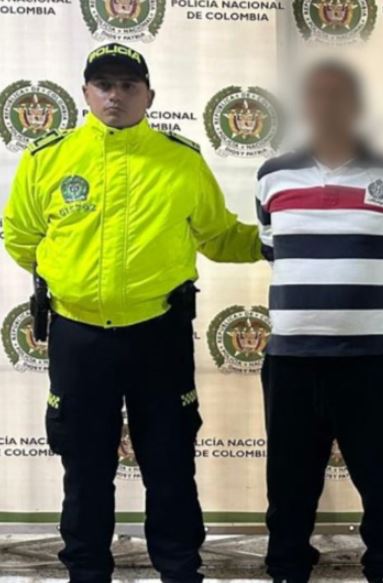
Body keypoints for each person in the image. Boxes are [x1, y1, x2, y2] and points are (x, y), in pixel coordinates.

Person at [3, 43, 262, 582]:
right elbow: (22, 237)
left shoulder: (181, 161)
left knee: (170, 465)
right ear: (85, 93)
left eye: (127, 85)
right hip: (79, 338)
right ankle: (87, 572)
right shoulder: (46, 159)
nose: (114, 95)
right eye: (103, 85)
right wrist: (73, 281)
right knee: (85, 468)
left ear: (149, 95)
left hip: (158, 335)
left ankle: (179, 570)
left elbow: (218, 236)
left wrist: (288, 238)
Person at [254, 61, 383, 583]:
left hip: (374, 361)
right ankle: (286, 567)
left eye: (341, 96)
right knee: (289, 484)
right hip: (293, 359)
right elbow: (274, 249)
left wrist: (368, 311)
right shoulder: (272, 176)